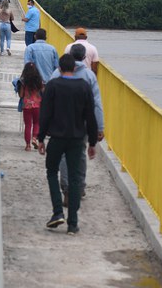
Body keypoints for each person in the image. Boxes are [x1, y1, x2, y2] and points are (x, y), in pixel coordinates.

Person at [37, 54, 97, 234]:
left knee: (51, 172)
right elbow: (90, 117)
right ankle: (73, 223)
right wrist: (92, 142)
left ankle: (57, 213)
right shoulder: (84, 87)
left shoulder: (53, 86)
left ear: (60, 68)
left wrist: (40, 138)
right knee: (75, 178)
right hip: (78, 140)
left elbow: (45, 114)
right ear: (75, 68)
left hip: (57, 138)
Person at [53, 43, 105, 205]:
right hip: (81, 124)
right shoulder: (90, 76)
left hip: (60, 122)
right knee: (80, 154)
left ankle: (66, 189)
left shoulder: (56, 73)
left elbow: (48, 99)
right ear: (84, 57)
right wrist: (99, 127)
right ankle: (80, 187)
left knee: (63, 155)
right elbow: (96, 104)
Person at [18, 62, 43, 151]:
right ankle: (34, 138)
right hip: (37, 105)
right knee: (37, 123)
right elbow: (43, 92)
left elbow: (21, 95)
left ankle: (28, 145)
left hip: (27, 105)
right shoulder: (39, 80)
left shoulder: (23, 81)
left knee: (28, 125)